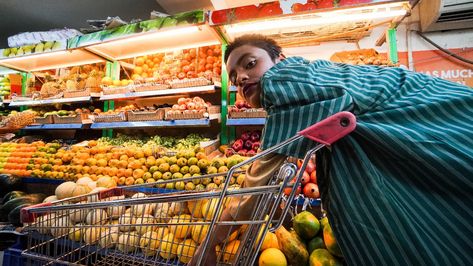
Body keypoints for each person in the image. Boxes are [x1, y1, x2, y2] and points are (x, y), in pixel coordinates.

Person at [190, 34, 473, 265]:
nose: (241, 77)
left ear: (280, 60)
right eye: (234, 75)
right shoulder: (314, 78)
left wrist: (209, 243)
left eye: (250, 63)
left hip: (442, 129)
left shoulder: (284, 81)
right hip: (441, 119)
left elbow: (254, 190)